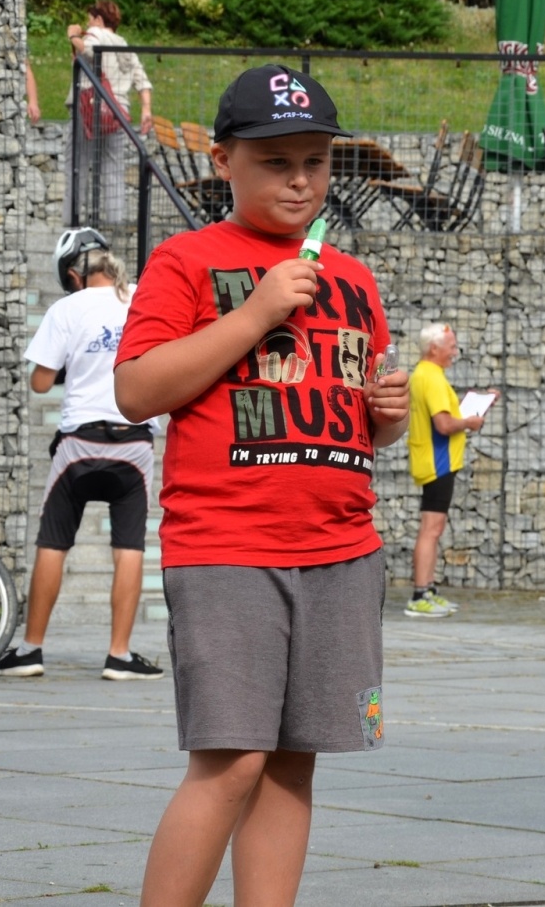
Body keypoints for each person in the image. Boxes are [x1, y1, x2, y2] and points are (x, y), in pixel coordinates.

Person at [111, 64, 409, 906]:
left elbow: (360, 429)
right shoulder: (188, 261)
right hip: (228, 547)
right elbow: (137, 390)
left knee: (291, 761)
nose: (301, 179)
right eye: (276, 161)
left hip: (343, 550)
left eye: (315, 160)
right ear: (223, 161)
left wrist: (385, 412)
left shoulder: (353, 277)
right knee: (232, 758)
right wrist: (255, 313)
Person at [0, 229, 160, 681]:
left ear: (72, 274)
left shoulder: (66, 308)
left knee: (53, 543)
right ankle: (119, 656)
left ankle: (31, 650)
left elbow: (40, 383)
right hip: (133, 442)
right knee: (130, 547)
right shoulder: (142, 299)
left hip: (80, 442)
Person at [406, 322, 498, 618]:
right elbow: (444, 424)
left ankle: (428, 590)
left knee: (433, 528)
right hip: (438, 461)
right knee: (431, 529)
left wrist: (475, 408)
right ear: (435, 348)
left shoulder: (428, 374)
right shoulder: (431, 378)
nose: (455, 351)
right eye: (452, 346)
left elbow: (447, 414)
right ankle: (420, 593)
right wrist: (470, 422)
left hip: (437, 460)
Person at [66, 0, 153, 224]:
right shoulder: (124, 44)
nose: (87, 23)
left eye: (89, 18)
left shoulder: (95, 33)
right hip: (117, 113)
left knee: (78, 166)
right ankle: (116, 223)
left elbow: (88, 51)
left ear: (98, 19)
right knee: (113, 169)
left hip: (89, 109)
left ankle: (72, 222)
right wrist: (146, 109)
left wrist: (73, 35)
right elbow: (142, 80)